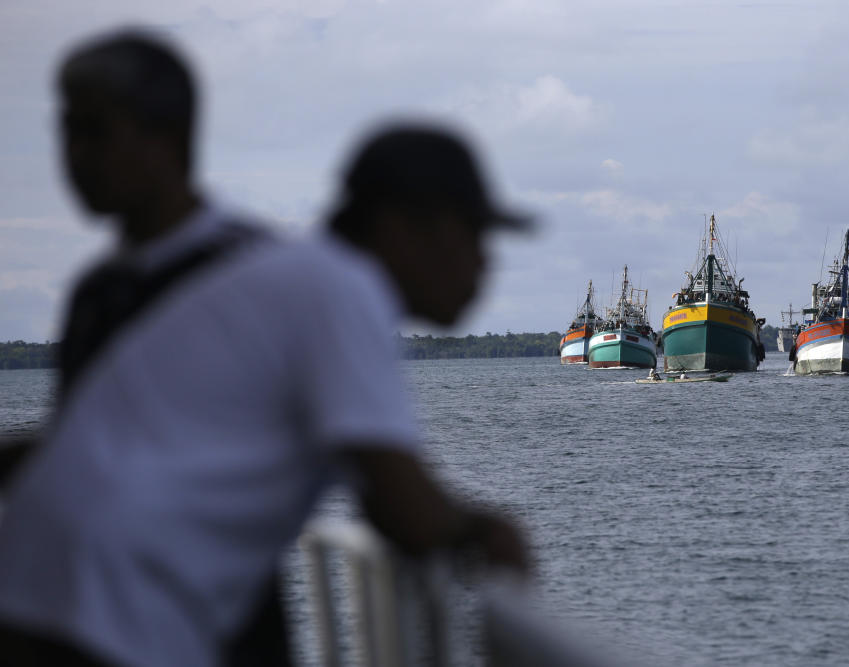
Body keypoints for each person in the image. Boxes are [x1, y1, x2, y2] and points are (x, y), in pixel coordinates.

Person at [0, 122, 528, 667]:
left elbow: (377, 491)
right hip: (100, 611)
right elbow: (404, 506)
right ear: (402, 228)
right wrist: (487, 530)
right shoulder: (342, 290)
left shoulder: (291, 277)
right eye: (473, 232)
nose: (485, 262)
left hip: (53, 588)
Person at [0, 29, 286, 666]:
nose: (71, 155)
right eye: (65, 130)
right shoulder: (97, 293)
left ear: (168, 137)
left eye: (93, 130)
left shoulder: (253, 280)